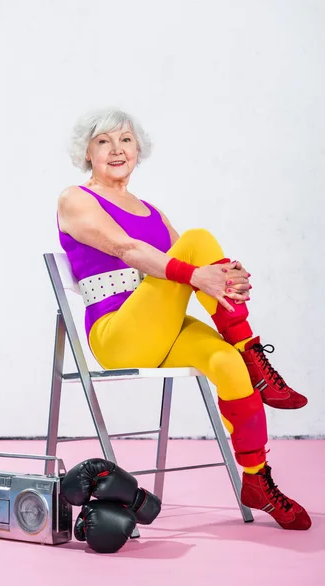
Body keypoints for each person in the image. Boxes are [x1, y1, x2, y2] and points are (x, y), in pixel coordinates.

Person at [56, 108, 311, 530]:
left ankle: (256, 480)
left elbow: (195, 275)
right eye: (104, 142)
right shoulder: (75, 198)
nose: (117, 150)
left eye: (126, 140)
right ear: (88, 152)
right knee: (196, 241)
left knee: (227, 365)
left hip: (162, 330)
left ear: (139, 149)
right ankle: (252, 352)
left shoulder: (151, 210)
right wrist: (201, 274)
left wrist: (226, 277)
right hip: (118, 333)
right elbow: (128, 251)